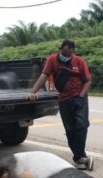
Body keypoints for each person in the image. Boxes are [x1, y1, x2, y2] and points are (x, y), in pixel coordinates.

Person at [27, 39, 93, 170]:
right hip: (64, 99)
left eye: (69, 54)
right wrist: (32, 92)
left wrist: (81, 96)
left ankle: (80, 156)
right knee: (70, 129)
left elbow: (88, 81)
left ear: (72, 52)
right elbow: (44, 76)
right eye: (64, 53)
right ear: (60, 49)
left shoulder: (79, 61)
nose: (65, 56)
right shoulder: (52, 60)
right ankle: (80, 157)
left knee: (82, 125)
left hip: (79, 98)